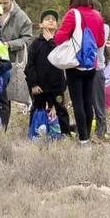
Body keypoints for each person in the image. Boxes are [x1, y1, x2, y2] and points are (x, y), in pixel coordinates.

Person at [50, 0, 107, 144]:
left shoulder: (72, 14)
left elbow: (60, 38)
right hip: (91, 64)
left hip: (75, 64)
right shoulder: (97, 15)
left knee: (78, 103)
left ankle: (83, 139)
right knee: (88, 102)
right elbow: (101, 41)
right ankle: (87, 136)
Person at [24, 8, 72, 138]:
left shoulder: (60, 43)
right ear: (40, 24)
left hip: (56, 87)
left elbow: (63, 61)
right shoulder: (35, 44)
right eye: (47, 19)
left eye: (54, 19)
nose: (51, 21)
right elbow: (30, 66)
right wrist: (33, 84)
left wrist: (52, 41)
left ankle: (64, 136)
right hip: (39, 88)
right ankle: (34, 135)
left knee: (60, 110)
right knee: (37, 110)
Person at [0, 0, 34, 99]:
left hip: (9, 62)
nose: (2, 6)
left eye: (5, 3)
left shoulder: (21, 17)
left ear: (12, 0)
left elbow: (28, 38)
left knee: (4, 98)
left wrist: (10, 45)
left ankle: (4, 117)